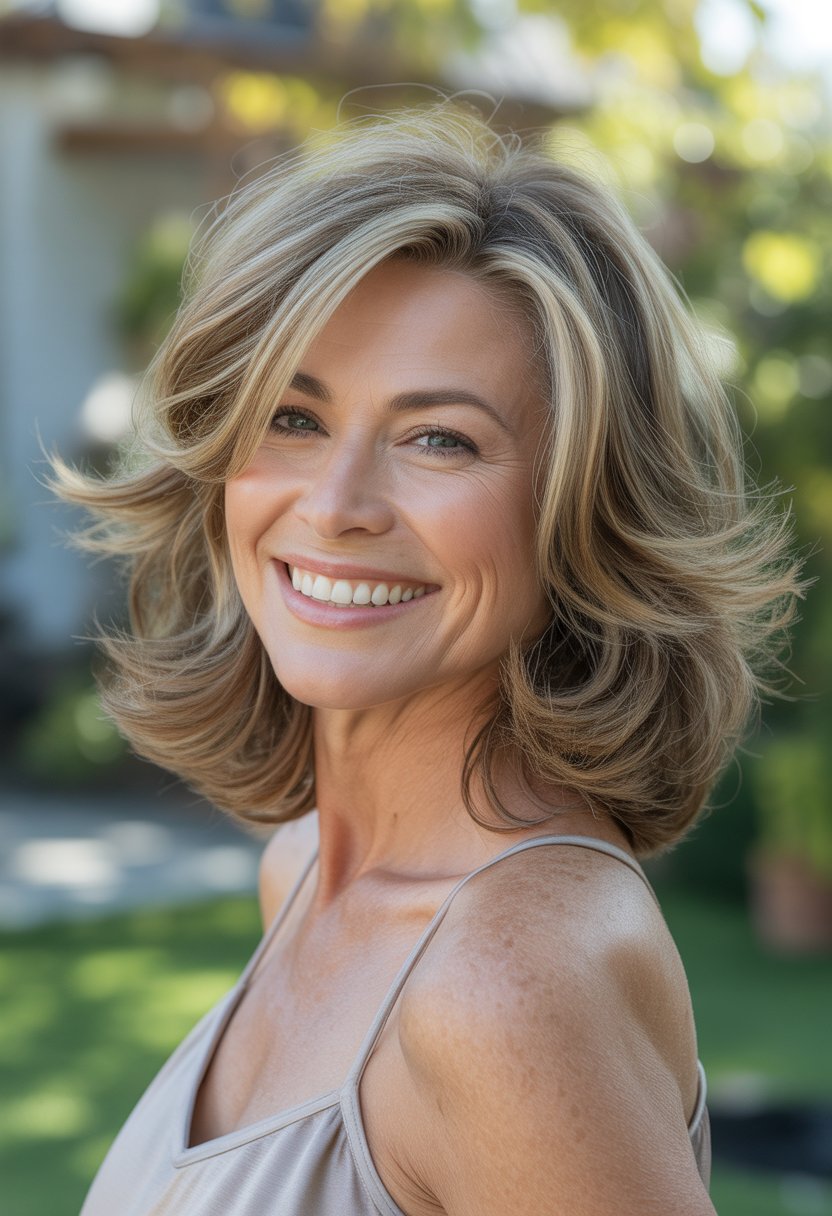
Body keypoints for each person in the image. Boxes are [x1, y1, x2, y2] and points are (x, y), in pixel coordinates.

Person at [53, 101, 804, 1215]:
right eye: (293, 418)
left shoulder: (509, 984)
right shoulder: (301, 867)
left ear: (578, 510)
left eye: (438, 438)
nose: (338, 506)